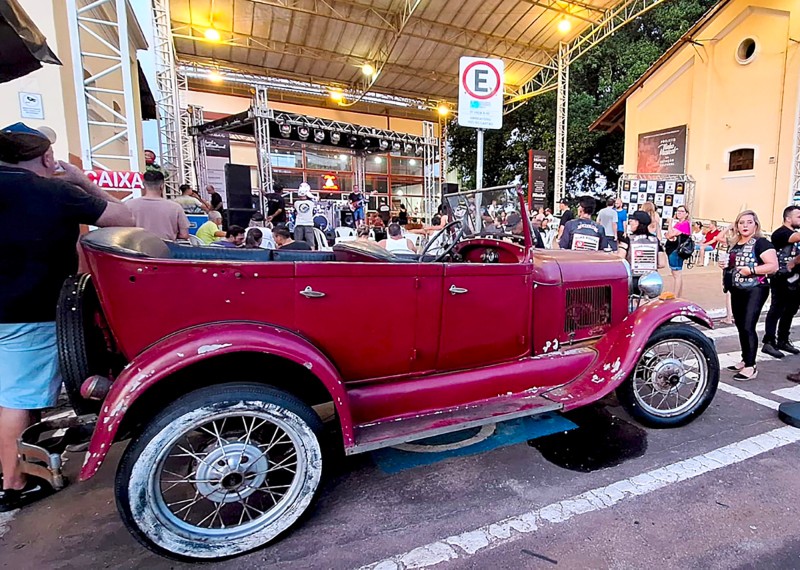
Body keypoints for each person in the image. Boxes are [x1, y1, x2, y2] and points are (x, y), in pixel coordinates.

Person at [0, 122, 133, 511]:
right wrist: (82, 180)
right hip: (28, 309)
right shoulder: (55, 191)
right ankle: (13, 483)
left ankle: (27, 461)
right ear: (46, 157)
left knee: (12, 391)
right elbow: (122, 217)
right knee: (17, 397)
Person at [720, 210, 778, 381]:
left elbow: (773, 266)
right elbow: (732, 265)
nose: (745, 225)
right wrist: (723, 265)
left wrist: (751, 270)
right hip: (736, 289)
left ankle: (751, 366)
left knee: (747, 326)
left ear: (756, 224)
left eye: (749, 222)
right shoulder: (734, 243)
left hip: (756, 288)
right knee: (741, 326)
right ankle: (746, 359)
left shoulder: (761, 243)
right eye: (741, 222)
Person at [761, 205, 800, 358]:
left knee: (791, 310)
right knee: (777, 308)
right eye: (798, 216)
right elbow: (795, 238)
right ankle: (769, 342)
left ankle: (783, 339)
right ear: (788, 218)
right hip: (781, 277)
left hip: (795, 279)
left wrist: (796, 262)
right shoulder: (781, 233)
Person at [127, 171, 190, 241]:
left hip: (136, 249)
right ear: (162, 186)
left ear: (143, 185)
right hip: (166, 249)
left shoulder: (129, 205)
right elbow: (184, 235)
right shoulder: (175, 207)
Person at [617, 211, 666, 287]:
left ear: (637, 222)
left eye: (631, 222)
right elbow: (662, 264)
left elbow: (620, 259)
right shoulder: (655, 240)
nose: (630, 224)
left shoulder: (628, 239)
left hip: (632, 279)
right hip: (651, 280)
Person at [664, 205, 691, 297]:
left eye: (682, 211)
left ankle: (675, 296)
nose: (679, 213)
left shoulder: (684, 224)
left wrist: (670, 223)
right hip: (673, 250)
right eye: (678, 211)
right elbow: (668, 235)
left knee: (677, 274)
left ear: (686, 214)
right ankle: (678, 295)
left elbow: (670, 234)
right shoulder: (679, 224)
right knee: (676, 274)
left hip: (676, 251)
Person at [293, 182, 317, 249]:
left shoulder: (296, 203)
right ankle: (313, 255)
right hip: (309, 224)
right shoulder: (311, 203)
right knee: (311, 242)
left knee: (298, 242)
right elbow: (316, 199)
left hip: (299, 224)